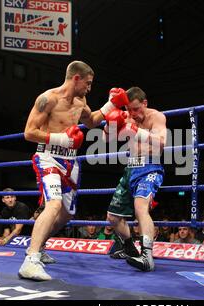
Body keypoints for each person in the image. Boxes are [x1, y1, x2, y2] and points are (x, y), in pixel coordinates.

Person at [18, 60, 130, 281]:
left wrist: (110, 105)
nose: (89, 88)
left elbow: (90, 122)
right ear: (76, 78)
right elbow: (29, 132)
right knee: (54, 203)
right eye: (87, 83)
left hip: (71, 160)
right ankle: (30, 261)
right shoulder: (48, 98)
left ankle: (38, 247)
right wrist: (61, 138)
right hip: (48, 156)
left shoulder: (81, 100)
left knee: (67, 213)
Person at [105, 87, 167, 271]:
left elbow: (162, 142)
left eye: (136, 109)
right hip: (130, 168)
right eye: (129, 110)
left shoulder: (157, 117)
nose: (133, 113)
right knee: (112, 217)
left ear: (145, 103)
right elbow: (105, 139)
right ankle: (129, 248)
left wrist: (135, 131)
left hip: (150, 166)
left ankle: (147, 257)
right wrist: (110, 120)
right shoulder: (126, 116)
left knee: (141, 207)